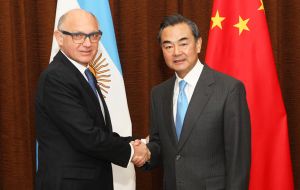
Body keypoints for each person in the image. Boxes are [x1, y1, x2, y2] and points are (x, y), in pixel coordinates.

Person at [35, 9, 148, 190]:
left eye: (93, 35)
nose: (88, 43)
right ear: (59, 37)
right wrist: (133, 151)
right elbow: (87, 136)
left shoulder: (84, 74)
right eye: (78, 36)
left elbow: (95, 129)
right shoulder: (56, 78)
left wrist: (137, 142)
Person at [142, 14, 251, 190]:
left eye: (183, 43)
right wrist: (145, 153)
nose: (176, 52)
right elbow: (161, 145)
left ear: (198, 44)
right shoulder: (158, 94)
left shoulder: (229, 89)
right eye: (168, 46)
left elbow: (238, 160)